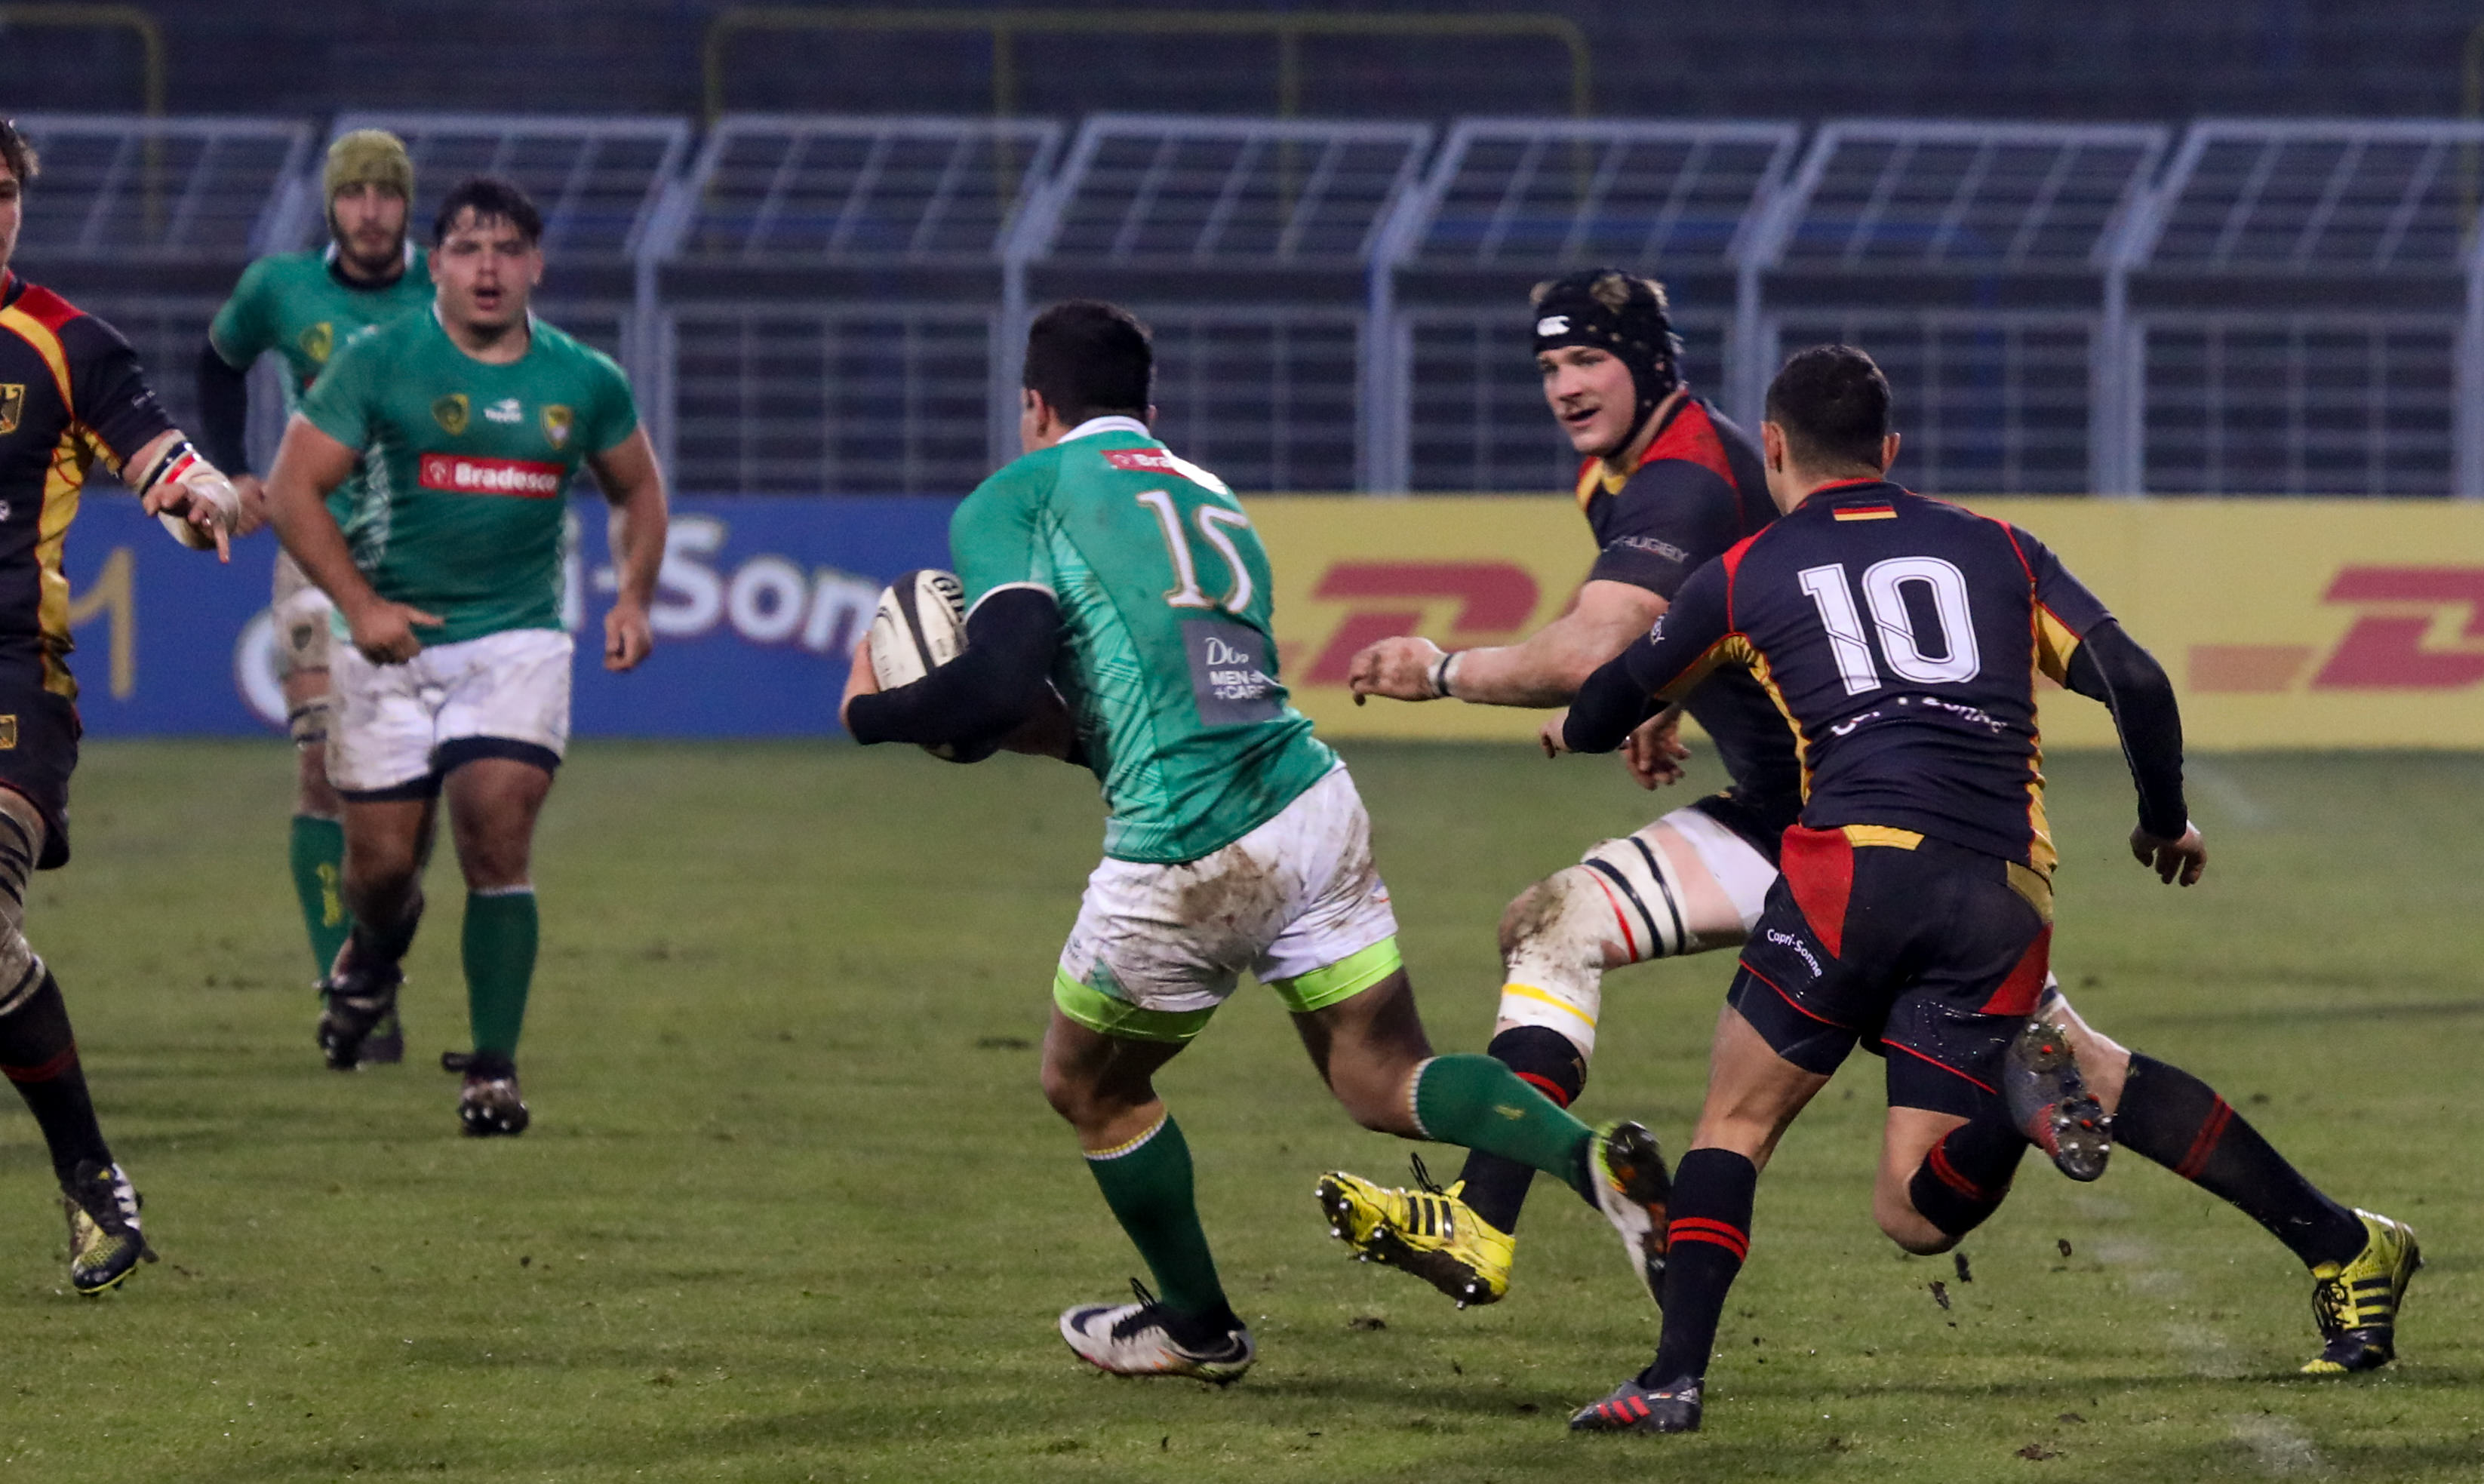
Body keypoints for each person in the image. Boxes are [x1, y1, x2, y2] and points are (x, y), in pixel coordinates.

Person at [1320, 272, 2410, 1380]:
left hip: (1835, 829)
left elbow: (1606, 648)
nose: (1564, 385)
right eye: (1549, 365)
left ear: (1663, 371)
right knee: (1560, 921)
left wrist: (1444, 669)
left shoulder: (1686, 475)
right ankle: (1482, 1214)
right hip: (1877, 831)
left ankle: (2340, 1237)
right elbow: (1718, 634)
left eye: (1587, 359)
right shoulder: (1675, 474)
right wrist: (1669, 699)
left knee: (1988, 1087)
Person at [839, 300, 1675, 1385]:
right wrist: (1032, 729)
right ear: (1148, 407)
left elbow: (997, 681)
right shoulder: (1207, 492)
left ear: (1035, 405)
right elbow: (1149, 701)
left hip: (1187, 844)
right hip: (1308, 799)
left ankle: (1196, 1325)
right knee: (1384, 1075)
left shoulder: (1023, 492)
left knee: (1088, 1086)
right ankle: (1591, 1158)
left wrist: (873, 713)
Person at [264, 176, 669, 1134]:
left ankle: (492, 1070)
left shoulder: (584, 379)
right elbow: (291, 489)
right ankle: (372, 954)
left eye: (508, 250)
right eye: (468, 249)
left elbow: (638, 490)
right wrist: (360, 606)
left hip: (516, 641)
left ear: (537, 265)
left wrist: (634, 597)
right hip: (391, 648)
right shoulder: (379, 360)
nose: (489, 268)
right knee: (381, 871)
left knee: (496, 833)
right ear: (436, 264)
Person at [0, 119, 245, 1290]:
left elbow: (161, 457)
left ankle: (92, 1180)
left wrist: (198, 496)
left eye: (2, 190)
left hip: (12, 671)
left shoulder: (63, 343)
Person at [199, 130, 434, 1064]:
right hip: (316, 546)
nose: (370, 211)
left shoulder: (450, 286)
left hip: (425, 560)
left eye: (386, 193)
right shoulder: (279, 288)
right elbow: (220, 360)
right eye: (354, 194)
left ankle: (373, 959)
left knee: (411, 799)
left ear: (407, 204)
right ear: (330, 205)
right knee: (321, 768)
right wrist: (232, 469)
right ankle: (347, 991)